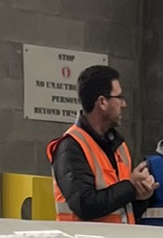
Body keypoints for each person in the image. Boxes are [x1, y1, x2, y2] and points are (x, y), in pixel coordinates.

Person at [47, 64, 155, 223]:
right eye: (119, 98)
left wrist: (140, 195)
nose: (123, 104)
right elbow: (84, 204)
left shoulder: (119, 147)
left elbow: (123, 210)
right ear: (102, 102)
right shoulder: (71, 146)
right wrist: (130, 187)